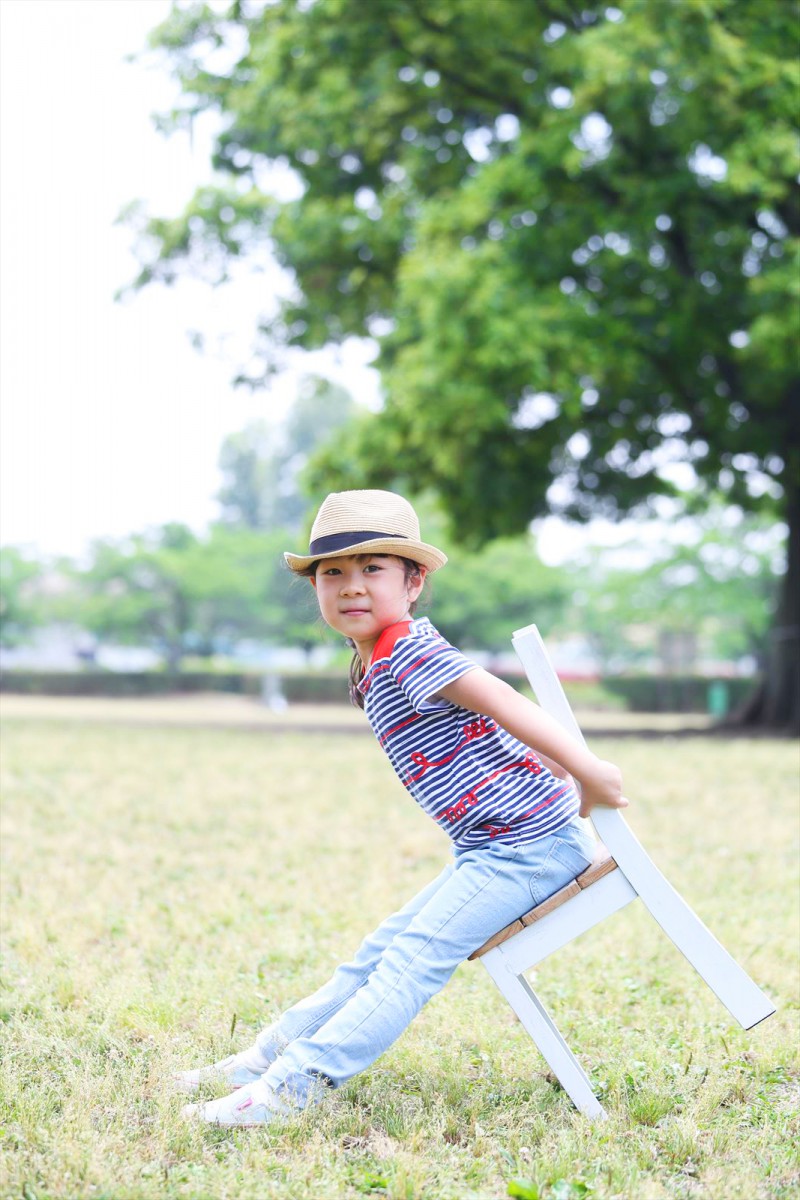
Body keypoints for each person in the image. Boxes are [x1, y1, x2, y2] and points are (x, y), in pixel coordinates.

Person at [179, 490, 627, 1127]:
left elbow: (501, 698)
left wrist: (586, 769)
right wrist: (544, 764)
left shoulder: (407, 649)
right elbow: (482, 726)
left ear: (413, 582)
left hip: (527, 849)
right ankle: (261, 1062)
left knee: (409, 963)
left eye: (373, 569)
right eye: (333, 572)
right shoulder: (377, 658)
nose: (351, 586)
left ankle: (288, 1089)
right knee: (374, 956)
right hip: (492, 846)